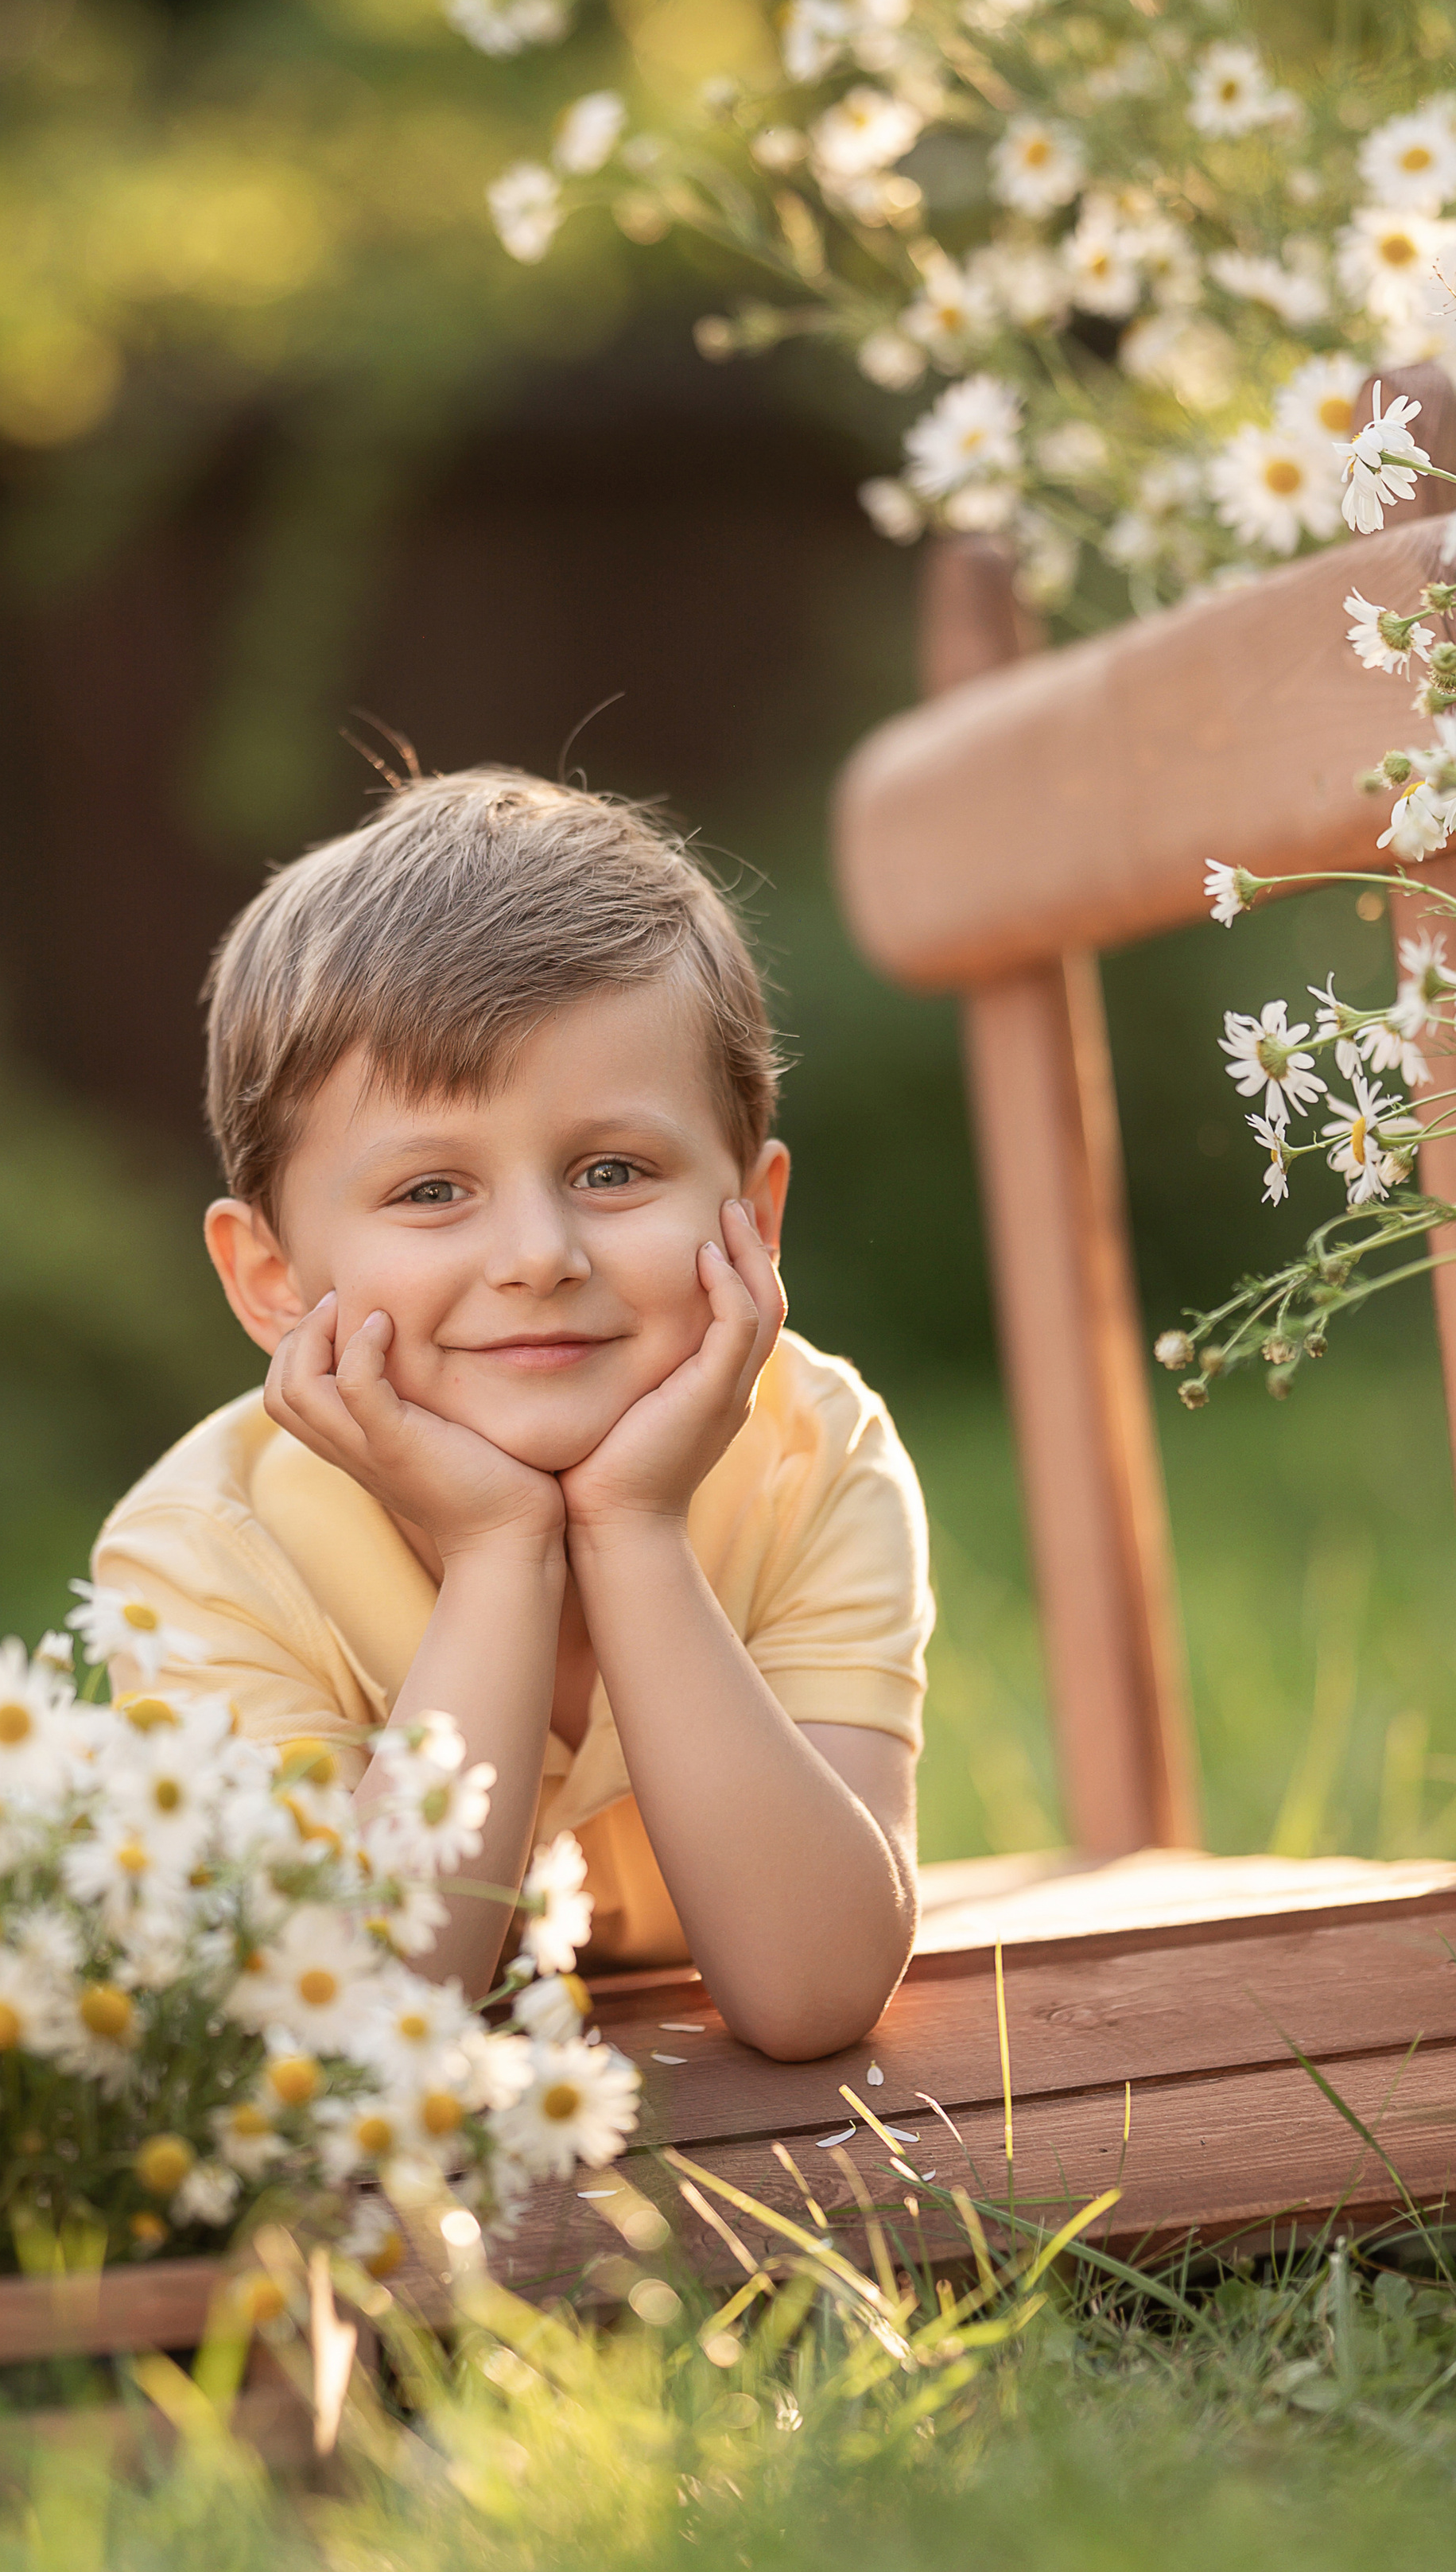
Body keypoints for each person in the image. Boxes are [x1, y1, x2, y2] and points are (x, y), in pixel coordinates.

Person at [91, 767, 931, 2060]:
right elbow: (349, 2028)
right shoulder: (202, 1554)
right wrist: (498, 1554)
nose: (538, 1253)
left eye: (612, 1170)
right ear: (271, 1278)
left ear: (754, 1217)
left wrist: (636, 1530)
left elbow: (814, 1989)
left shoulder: (812, 1455)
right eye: (432, 1190)